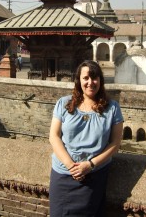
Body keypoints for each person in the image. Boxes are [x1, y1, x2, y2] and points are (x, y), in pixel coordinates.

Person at [49, 60, 124, 217]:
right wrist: (72, 167)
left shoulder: (112, 108)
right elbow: (54, 137)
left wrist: (90, 165)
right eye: (86, 78)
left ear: (101, 81)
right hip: (63, 175)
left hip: (93, 177)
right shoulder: (63, 103)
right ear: (79, 80)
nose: (91, 82)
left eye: (95, 78)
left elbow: (115, 143)